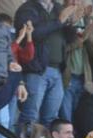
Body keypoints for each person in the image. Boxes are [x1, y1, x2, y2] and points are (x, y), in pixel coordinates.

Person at [14, 0, 83, 130]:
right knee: (30, 117)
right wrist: (59, 21)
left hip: (57, 70)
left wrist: (72, 23)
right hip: (36, 70)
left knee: (51, 120)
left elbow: (70, 39)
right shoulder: (28, 8)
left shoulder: (58, 7)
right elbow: (31, 35)